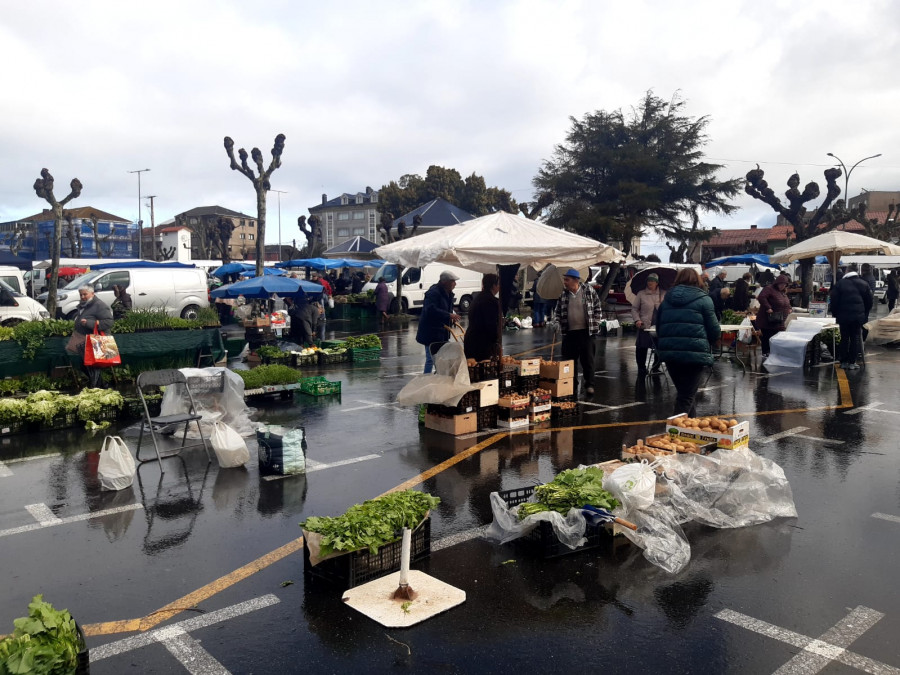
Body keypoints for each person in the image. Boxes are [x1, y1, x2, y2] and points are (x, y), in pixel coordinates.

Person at [655, 268, 720, 417]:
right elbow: (714, 329)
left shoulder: (666, 300)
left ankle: (690, 429)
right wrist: (710, 342)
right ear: (698, 280)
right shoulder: (704, 299)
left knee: (685, 393)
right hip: (695, 353)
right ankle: (675, 433)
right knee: (686, 396)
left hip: (670, 354)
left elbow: (658, 327)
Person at [555, 268, 602, 396]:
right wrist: (556, 322)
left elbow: (598, 307)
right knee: (570, 361)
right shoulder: (563, 294)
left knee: (588, 360)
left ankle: (589, 385)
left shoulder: (588, 291)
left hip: (586, 331)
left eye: (567, 280)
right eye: (565, 280)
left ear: (575, 280)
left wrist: (596, 322)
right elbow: (557, 312)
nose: (565, 282)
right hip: (569, 332)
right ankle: (572, 385)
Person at [65, 285, 114, 388]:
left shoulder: (99, 305)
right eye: (81, 294)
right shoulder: (83, 305)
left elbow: (109, 322)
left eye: (85, 294)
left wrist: (90, 323)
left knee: (92, 365)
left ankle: (97, 387)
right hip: (85, 341)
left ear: (92, 293)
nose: (82, 296)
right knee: (86, 365)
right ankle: (99, 386)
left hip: (96, 341)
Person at [416, 271, 461, 373]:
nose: (455, 284)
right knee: (430, 358)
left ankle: (440, 376)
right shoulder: (434, 293)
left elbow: (446, 310)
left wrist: (451, 317)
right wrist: (449, 315)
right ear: (445, 282)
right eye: (453, 281)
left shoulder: (448, 293)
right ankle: (426, 379)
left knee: (441, 357)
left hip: (441, 331)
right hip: (430, 332)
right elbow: (431, 310)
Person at [830, 264, 873, 370]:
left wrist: (835, 314)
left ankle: (843, 361)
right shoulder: (864, 283)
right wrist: (863, 313)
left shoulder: (840, 284)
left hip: (843, 316)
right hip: (858, 317)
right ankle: (852, 362)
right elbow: (869, 301)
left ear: (847, 271)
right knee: (855, 338)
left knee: (844, 338)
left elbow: (834, 301)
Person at [631, 272, 666, 375]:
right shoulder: (641, 294)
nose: (650, 283)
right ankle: (641, 368)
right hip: (644, 325)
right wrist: (637, 320)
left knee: (659, 347)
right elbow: (634, 309)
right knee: (642, 347)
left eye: (652, 281)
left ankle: (656, 367)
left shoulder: (664, 293)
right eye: (649, 280)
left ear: (657, 283)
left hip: (659, 325)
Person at [464, 274, 503, 362]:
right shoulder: (489, 301)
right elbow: (490, 324)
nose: (499, 287)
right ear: (493, 285)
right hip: (481, 342)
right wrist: (496, 341)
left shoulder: (479, 297)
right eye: (498, 284)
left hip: (472, 339)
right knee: (482, 370)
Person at [756, 273, 792, 356]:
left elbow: (786, 302)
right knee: (767, 337)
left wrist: (790, 308)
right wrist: (768, 307)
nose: (783, 286)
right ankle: (766, 354)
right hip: (768, 319)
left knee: (776, 337)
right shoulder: (769, 288)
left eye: (785, 284)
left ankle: (773, 354)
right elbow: (761, 297)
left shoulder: (782, 292)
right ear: (777, 282)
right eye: (782, 284)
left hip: (779, 320)